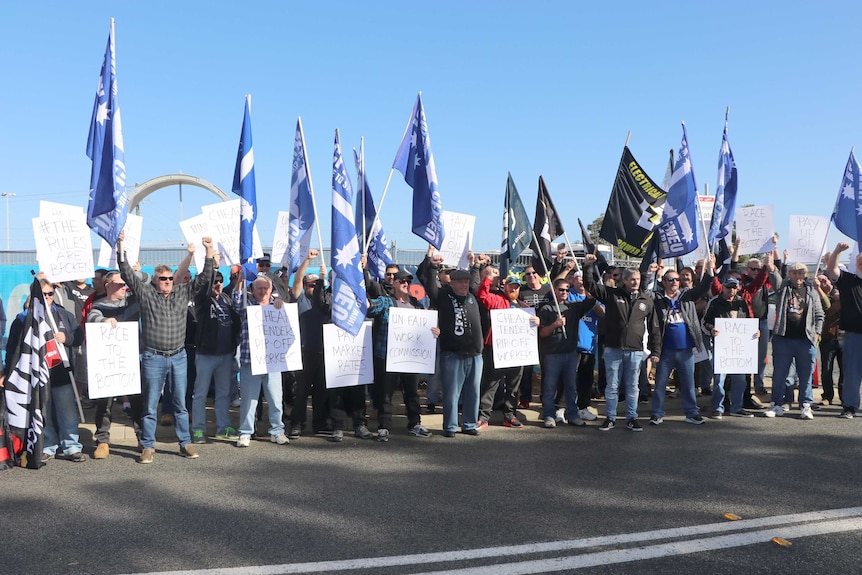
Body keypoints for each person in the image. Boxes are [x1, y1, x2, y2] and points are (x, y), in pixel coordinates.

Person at [118, 233, 216, 464]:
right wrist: (120, 243)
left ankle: (185, 443)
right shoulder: (146, 294)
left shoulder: (183, 292)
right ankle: (148, 446)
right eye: (163, 278)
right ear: (154, 280)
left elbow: (205, 277)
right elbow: (125, 272)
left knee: (181, 404)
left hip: (179, 356)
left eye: (171, 278)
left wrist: (208, 250)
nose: (168, 282)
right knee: (151, 404)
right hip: (153, 357)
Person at [6, 280, 85, 463]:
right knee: (43, 412)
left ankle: (71, 446)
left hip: (61, 373)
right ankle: (48, 446)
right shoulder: (24, 319)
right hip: (37, 375)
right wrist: (7, 371)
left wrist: (67, 338)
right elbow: (13, 347)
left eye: (50, 294)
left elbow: (79, 336)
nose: (47, 297)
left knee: (68, 412)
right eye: (43, 294)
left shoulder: (63, 315)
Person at [582, 253, 660, 432]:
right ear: (624, 280)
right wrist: (587, 266)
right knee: (612, 385)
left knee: (633, 386)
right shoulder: (611, 294)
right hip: (613, 348)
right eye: (632, 279)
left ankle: (632, 417)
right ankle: (610, 417)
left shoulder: (646, 300)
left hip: (635, 350)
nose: (635, 282)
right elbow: (591, 286)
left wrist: (656, 350)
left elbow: (655, 326)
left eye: (638, 279)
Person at [366, 269, 438, 440]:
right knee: (386, 393)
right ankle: (384, 426)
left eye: (408, 282)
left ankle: (415, 423)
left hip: (410, 359)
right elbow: (371, 308)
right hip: (388, 357)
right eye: (401, 281)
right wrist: (366, 302)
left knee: (412, 393)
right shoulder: (386, 301)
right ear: (394, 284)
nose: (406, 284)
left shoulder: (416, 304)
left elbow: (425, 328)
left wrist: (434, 331)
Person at [419, 262, 483, 437]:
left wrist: (476, 266)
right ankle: (451, 426)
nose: (464, 285)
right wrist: (432, 266)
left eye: (466, 282)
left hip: (476, 355)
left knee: (473, 392)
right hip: (453, 355)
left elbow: (477, 282)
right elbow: (430, 285)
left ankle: (469, 424)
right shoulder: (443, 296)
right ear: (451, 283)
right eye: (460, 281)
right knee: (451, 393)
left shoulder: (472, 297)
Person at [649, 260, 714, 426]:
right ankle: (656, 414)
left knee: (689, 384)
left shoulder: (686, 295)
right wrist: (649, 274)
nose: (674, 282)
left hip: (686, 349)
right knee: (660, 385)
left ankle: (692, 413)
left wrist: (709, 270)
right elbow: (645, 290)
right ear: (663, 282)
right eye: (670, 279)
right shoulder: (658, 298)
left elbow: (704, 288)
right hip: (665, 350)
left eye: (676, 279)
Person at [86, 270, 142, 458]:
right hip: (107, 365)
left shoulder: (133, 300)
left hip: (130, 362)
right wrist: (104, 321)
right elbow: (91, 317)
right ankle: (102, 441)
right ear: (108, 285)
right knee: (104, 403)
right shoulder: (100, 305)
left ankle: (142, 439)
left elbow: (146, 279)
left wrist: (133, 272)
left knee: (136, 402)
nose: (123, 287)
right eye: (119, 284)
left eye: (125, 283)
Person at [229, 272, 289, 447]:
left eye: (265, 288)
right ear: (253, 290)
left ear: (271, 290)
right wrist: (240, 278)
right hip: (250, 362)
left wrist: (282, 305)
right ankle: (245, 432)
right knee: (248, 400)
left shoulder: (278, 306)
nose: (262, 291)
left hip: (273, 362)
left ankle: (277, 431)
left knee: (276, 400)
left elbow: (290, 322)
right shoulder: (247, 306)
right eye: (259, 288)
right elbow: (236, 300)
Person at [475, 267, 537, 429]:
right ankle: (483, 416)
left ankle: (510, 416)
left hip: (517, 353)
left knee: (513, 386)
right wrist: (488, 278)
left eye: (516, 286)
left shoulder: (524, 306)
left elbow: (532, 328)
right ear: (505, 286)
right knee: (491, 384)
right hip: (496, 350)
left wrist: (537, 321)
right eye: (511, 285)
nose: (514, 288)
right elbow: (481, 295)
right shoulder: (497, 300)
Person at [764, 262, 824, 419]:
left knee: (806, 375)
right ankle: (776, 404)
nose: (797, 276)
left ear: (805, 275)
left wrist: (816, 333)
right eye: (794, 273)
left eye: (800, 273)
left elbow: (819, 314)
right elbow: (775, 279)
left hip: (805, 340)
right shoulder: (783, 288)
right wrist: (771, 267)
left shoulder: (812, 291)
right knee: (779, 375)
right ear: (789, 274)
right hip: (783, 339)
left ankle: (805, 405)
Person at [191, 267, 241, 444]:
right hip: (206, 354)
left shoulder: (226, 299)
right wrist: (213, 267)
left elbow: (236, 322)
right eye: (214, 281)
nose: (217, 284)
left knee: (223, 393)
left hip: (226, 354)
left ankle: (223, 427)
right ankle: (198, 430)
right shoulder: (203, 300)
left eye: (220, 281)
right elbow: (203, 287)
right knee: (200, 394)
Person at [538, 278, 596, 428]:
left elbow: (592, 299)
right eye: (561, 289)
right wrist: (555, 324)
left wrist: (587, 283)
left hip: (570, 354)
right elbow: (542, 333)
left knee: (571, 387)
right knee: (550, 387)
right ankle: (549, 415)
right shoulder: (546, 309)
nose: (564, 292)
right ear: (555, 291)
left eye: (567, 290)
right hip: (552, 354)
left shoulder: (574, 307)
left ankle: (573, 415)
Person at [702, 276, 759, 419]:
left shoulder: (742, 302)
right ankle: (717, 408)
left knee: (740, 380)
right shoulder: (714, 302)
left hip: (739, 349)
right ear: (723, 287)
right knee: (719, 380)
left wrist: (755, 331)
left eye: (734, 287)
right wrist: (711, 330)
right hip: (722, 349)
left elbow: (748, 321)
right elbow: (705, 322)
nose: (731, 290)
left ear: (738, 288)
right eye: (728, 287)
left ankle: (736, 407)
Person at [825, 243, 862, 419]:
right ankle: (850, 406)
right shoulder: (849, 281)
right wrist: (837, 251)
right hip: (853, 336)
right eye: (860, 262)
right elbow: (831, 269)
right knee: (852, 373)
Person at [815, 273, 842, 406]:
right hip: (827, 337)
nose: (826, 282)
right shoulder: (817, 298)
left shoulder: (841, 294)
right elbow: (828, 308)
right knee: (827, 369)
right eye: (821, 281)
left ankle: (844, 397)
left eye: (827, 280)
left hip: (843, 337)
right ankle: (827, 396)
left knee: (845, 370)